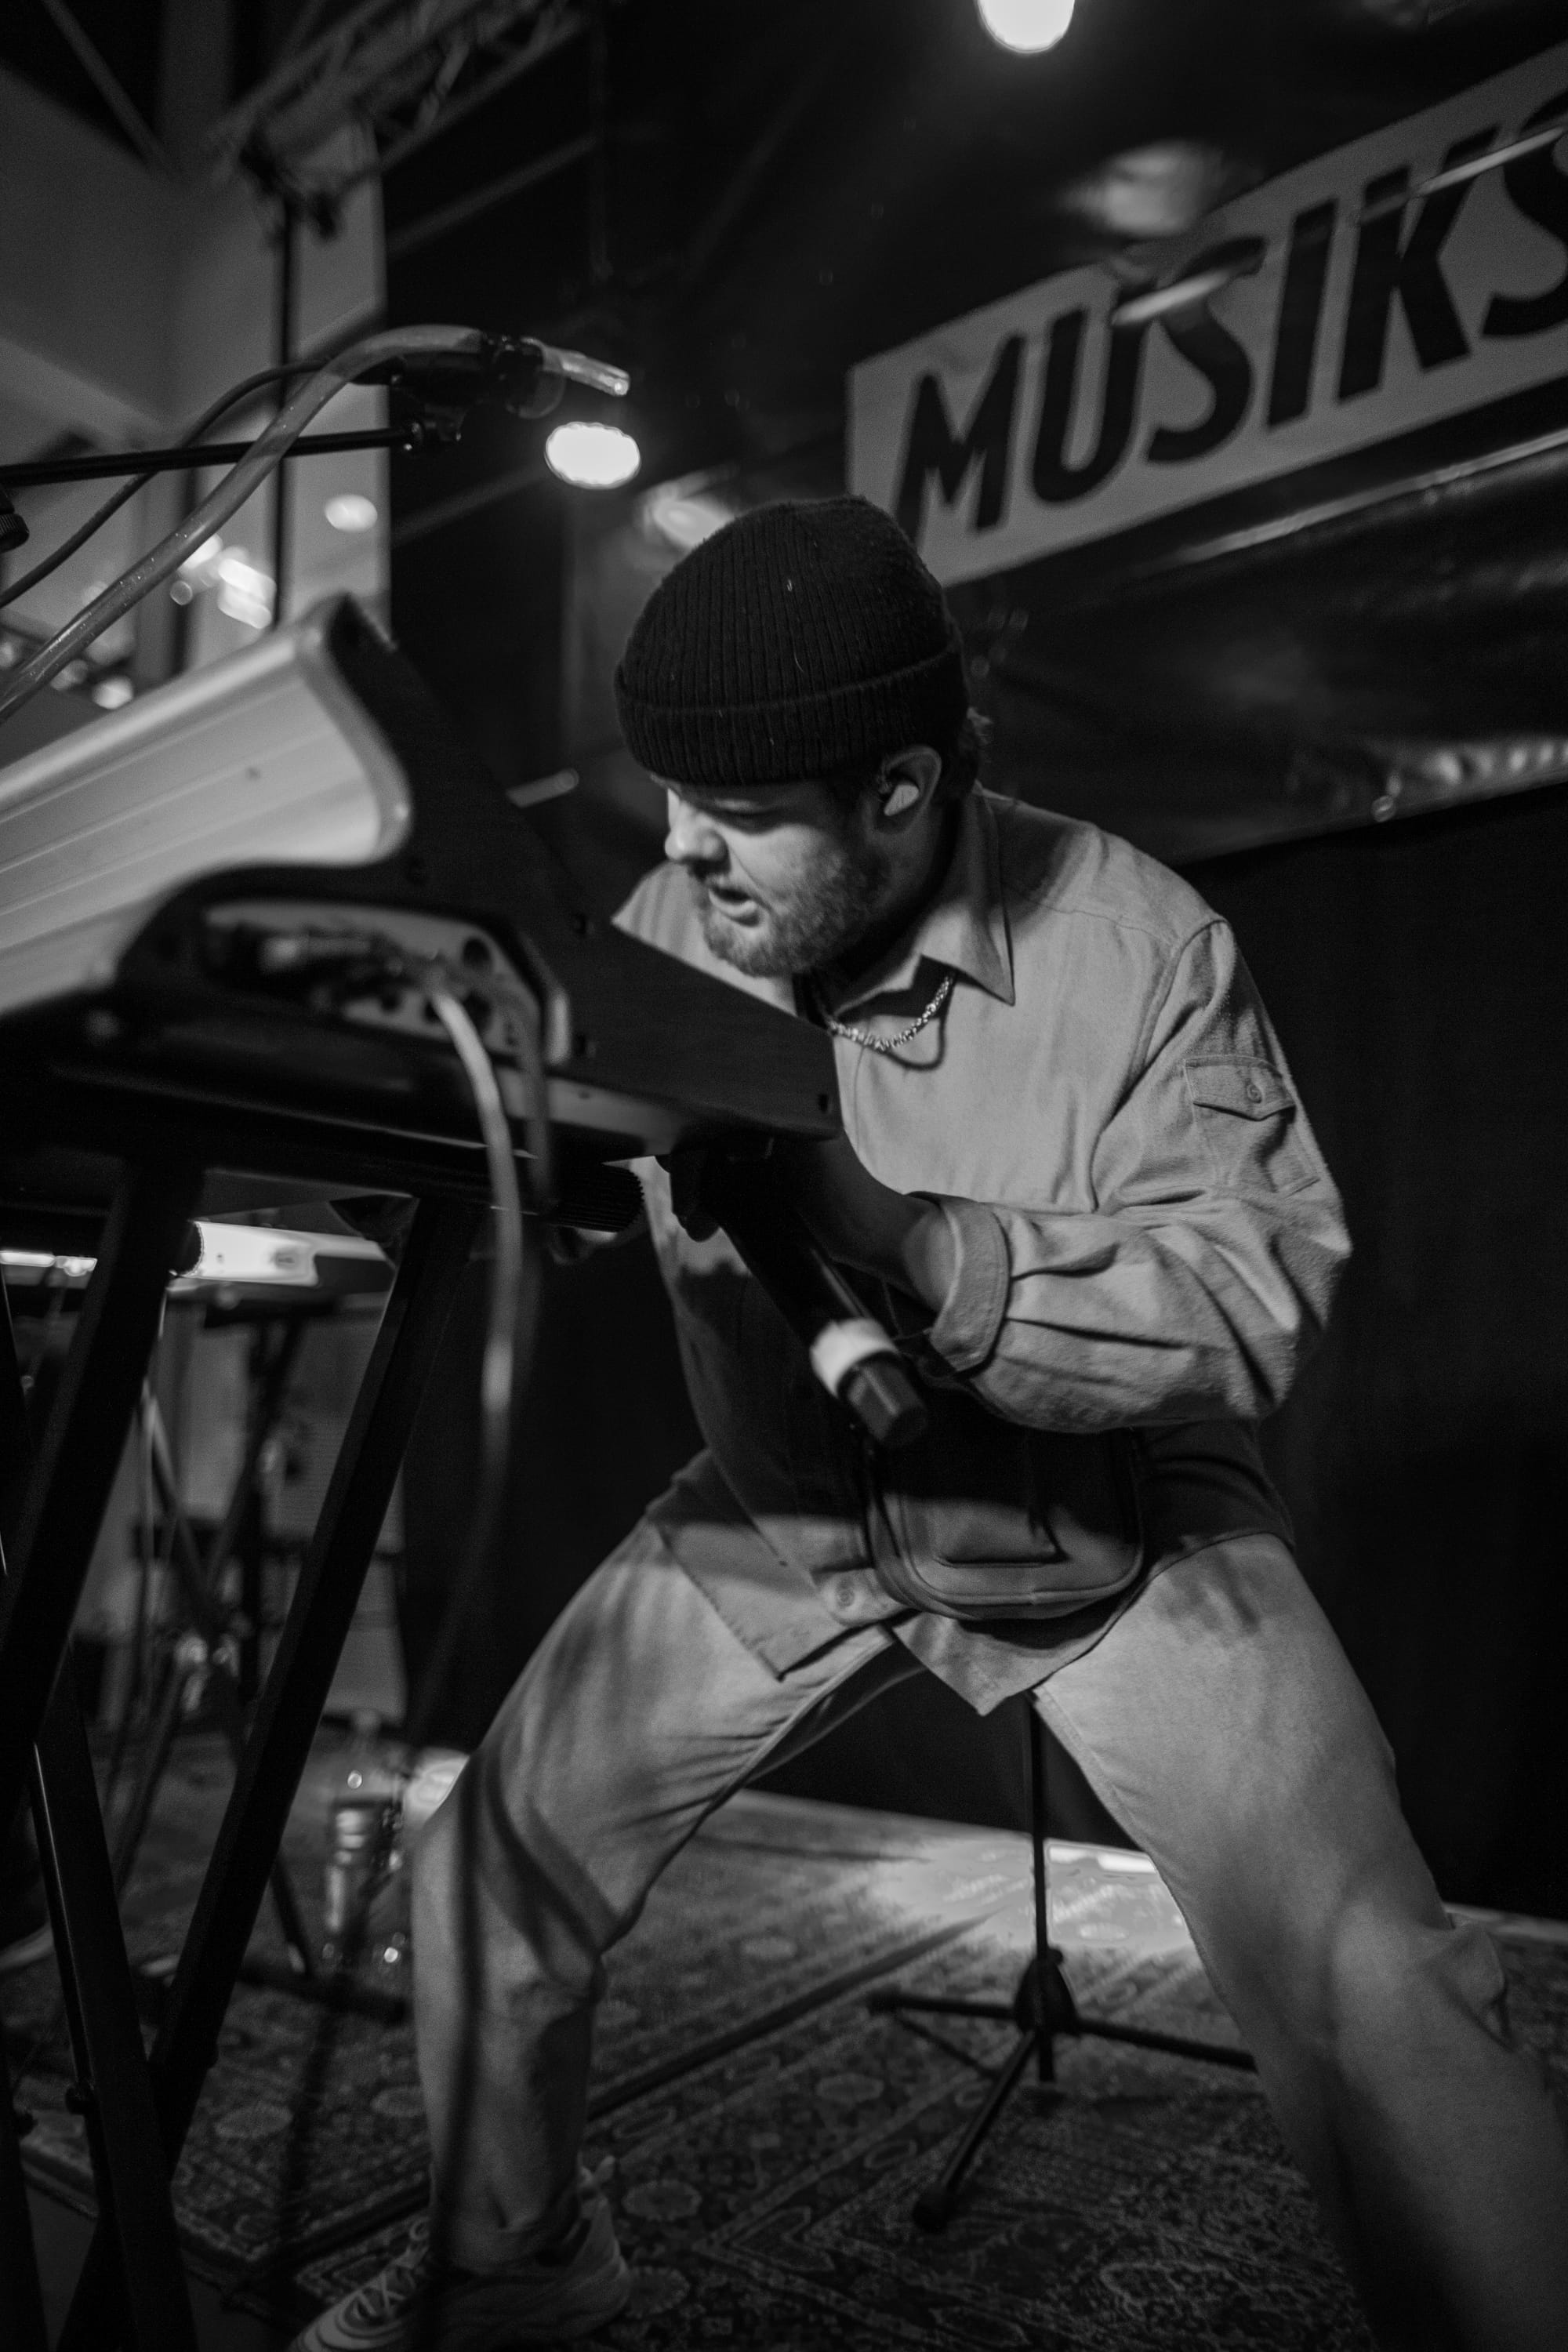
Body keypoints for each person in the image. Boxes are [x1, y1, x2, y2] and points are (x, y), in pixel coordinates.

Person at [294, 496, 1568, 2352]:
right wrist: (385, 1120)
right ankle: (519, 2274)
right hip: (785, 1509)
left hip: (1110, 1528)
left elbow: (1253, 1293)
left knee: (1381, 1991)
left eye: (739, 813)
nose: (681, 847)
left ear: (900, 788)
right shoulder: (672, 918)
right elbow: (549, 1182)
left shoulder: (1139, 947)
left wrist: (918, 1244)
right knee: (485, 1865)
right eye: (671, 800)